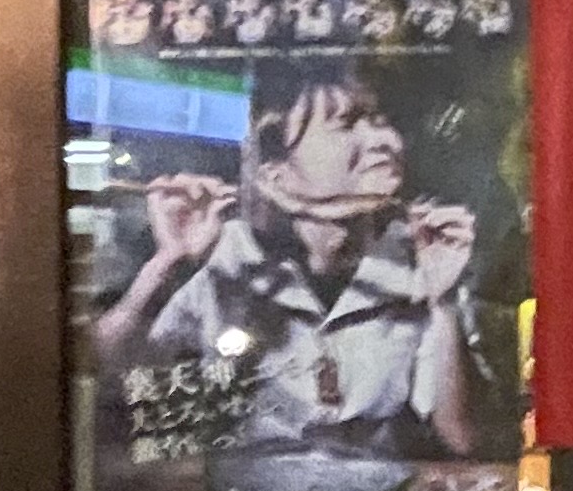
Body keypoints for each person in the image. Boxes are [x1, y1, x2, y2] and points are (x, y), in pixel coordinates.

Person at [94, 76, 484, 461]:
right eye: (345, 123)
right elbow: (102, 385)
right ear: (275, 174)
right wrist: (167, 262)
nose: (384, 139)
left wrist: (442, 301)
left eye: (381, 122)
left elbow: (462, 438)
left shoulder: (421, 255)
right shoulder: (226, 254)